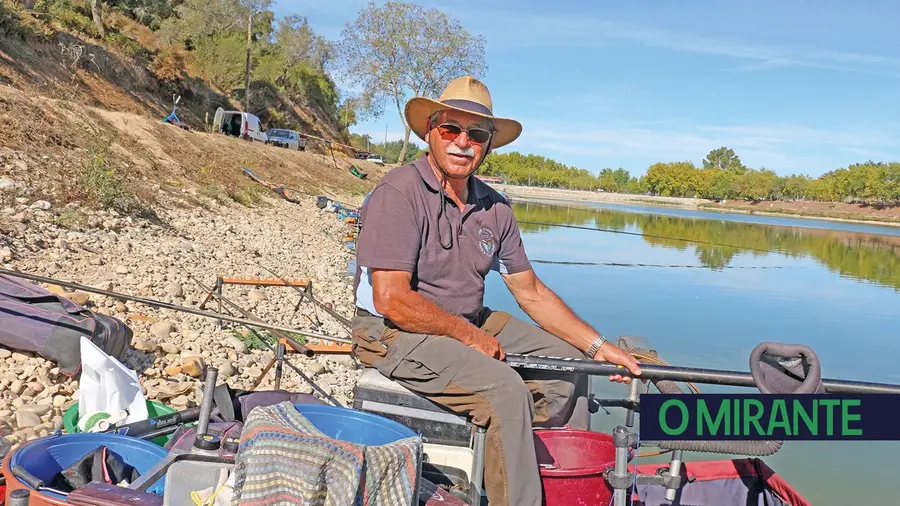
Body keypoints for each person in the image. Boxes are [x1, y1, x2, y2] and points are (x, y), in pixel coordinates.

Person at [350, 76, 642, 506]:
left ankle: (525, 464)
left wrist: (598, 346)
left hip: (467, 317)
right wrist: (470, 339)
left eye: (477, 134)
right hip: (393, 331)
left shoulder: (496, 208)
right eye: (451, 129)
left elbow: (531, 293)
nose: (462, 142)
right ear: (430, 131)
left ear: (487, 145)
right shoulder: (400, 190)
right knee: (506, 391)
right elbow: (391, 299)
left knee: (574, 367)